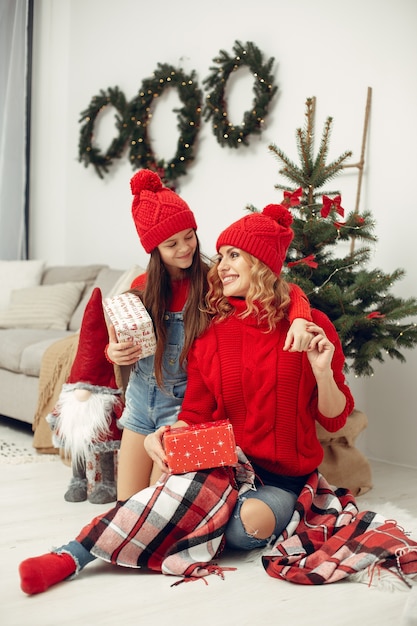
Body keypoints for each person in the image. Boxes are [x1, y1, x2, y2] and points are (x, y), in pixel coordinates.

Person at [18, 202, 354, 595]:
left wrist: (321, 371)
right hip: (224, 466)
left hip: (282, 480)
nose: (220, 265)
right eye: (222, 255)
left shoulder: (309, 328)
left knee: (244, 528)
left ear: (261, 264)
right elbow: (194, 410)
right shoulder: (212, 332)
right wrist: (161, 435)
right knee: (173, 494)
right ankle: (71, 555)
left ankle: (182, 521)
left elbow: (334, 419)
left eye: (234, 256)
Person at [106, 170, 314, 501]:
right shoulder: (141, 289)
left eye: (189, 236)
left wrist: (301, 319)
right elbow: (123, 342)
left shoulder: (211, 283)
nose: (184, 248)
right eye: (171, 244)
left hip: (181, 410)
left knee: (154, 506)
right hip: (139, 405)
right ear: (154, 250)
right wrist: (113, 352)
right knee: (125, 505)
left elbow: (285, 290)